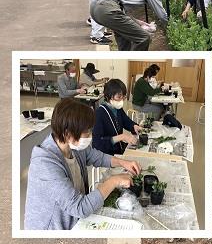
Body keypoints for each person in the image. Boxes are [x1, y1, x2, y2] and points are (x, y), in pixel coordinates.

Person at [24, 98, 141, 230]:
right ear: (68, 134)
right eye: (87, 132)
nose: (90, 136)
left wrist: (123, 162)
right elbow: (79, 207)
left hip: (74, 219)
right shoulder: (44, 163)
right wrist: (113, 181)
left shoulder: (73, 146)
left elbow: (97, 157)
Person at [90, 0, 168, 51]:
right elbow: (161, 14)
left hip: (96, 8)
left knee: (124, 36)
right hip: (107, 8)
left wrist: (139, 23)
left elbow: (122, 12)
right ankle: (134, 61)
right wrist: (170, 25)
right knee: (143, 37)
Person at [92, 79, 143, 155]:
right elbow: (98, 143)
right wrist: (121, 137)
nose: (121, 100)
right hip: (107, 154)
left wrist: (134, 126)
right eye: (119, 97)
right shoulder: (99, 114)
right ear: (108, 96)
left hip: (118, 148)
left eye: (123, 97)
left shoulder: (117, 109)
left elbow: (126, 121)